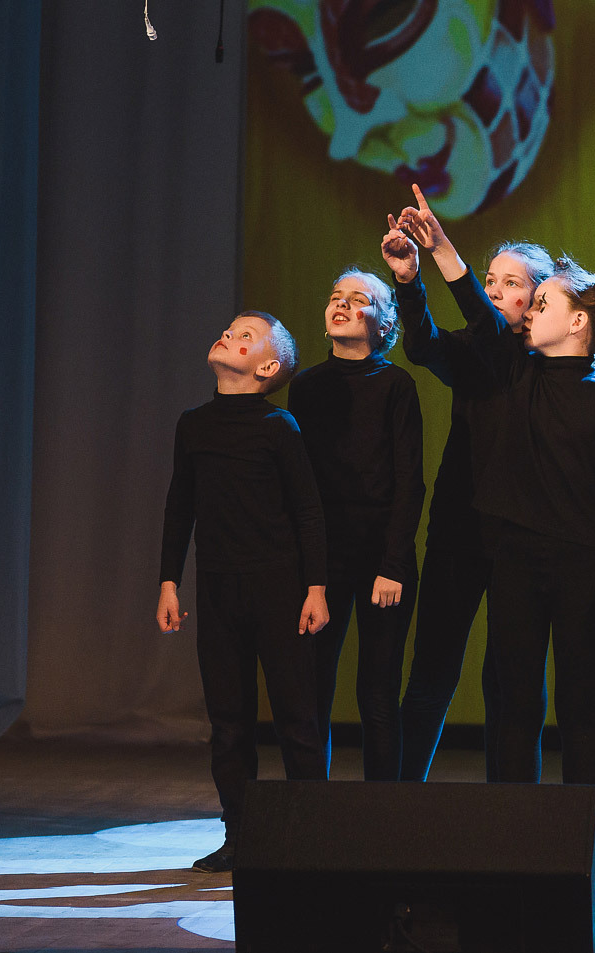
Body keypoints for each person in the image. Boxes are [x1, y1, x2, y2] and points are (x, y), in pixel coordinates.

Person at [399, 187, 595, 787]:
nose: (514, 303)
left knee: (549, 697)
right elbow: (449, 333)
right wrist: (428, 263)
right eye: (494, 282)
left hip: (565, 551)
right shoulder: (502, 359)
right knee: (477, 685)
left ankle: (549, 818)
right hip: (489, 540)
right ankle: (456, 810)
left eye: (526, 293)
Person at [157, 312, 330, 874]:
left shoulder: (279, 427)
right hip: (218, 589)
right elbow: (180, 506)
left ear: (267, 367)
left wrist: (316, 588)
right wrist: (168, 582)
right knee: (229, 723)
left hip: (279, 587)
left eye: (246, 336)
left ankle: (311, 838)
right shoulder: (194, 425)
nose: (230, 335)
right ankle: (240, 834)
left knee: (296, 719)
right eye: (230, 329)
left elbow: (307, 511)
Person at [383, 223, 556, 780]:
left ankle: (510, 809)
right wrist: (409, 281)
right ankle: (397, 802)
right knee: (432, 672)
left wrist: (441, 250)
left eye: (511, 283)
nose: (494, 290)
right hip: (459, 530)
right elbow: (421, 346)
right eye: (490, 279)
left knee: (507, 681)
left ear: (539, 299)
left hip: (521, 539)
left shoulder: (545, 362)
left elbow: (489, 327)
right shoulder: (472, 348)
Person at [288, 269, 426, 780]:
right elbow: (300, 486)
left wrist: (392, 564)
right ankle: (310, 808)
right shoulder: (306, 387)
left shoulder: (396, 385)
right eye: (335, 296)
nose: (342, 304)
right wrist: (309, 571)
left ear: (384, 323)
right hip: (322, 560)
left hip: (381, 560)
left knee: (377, 692)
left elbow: (409, 482)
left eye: (358, 299)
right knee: (312, 688)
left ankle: (382, 813)